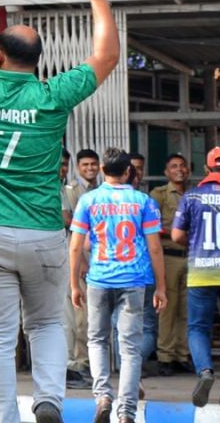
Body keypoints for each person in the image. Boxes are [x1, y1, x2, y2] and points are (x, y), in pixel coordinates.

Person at [0, 0, 118, 423]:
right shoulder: (52, 94)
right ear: (38, 59)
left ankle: (4, 418)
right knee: (45, 324)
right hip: (42, 233)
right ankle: (48, 402)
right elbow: (105, 57)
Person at [69, 148, 167, 423]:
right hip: (134, 280)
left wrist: (74, 284)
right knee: (130, 348)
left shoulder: (89, 200)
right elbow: (155, 248)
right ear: (128, 172)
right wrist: (161, 287)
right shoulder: (143, 201)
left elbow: (76, 245)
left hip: (99, 278)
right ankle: (126, 412)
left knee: (97, 340)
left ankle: (102, 396)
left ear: (102, 169)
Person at [172, 147, 220, 408]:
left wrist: (194, 243)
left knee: (197, 328)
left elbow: (176, 236)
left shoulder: (192, 195)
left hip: (201, 272)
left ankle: (205, 371)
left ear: (206, 171)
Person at [150, 153, 192, 376]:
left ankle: (182, 354)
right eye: (174, 166)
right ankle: (165, 355)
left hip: (190, 256)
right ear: (167, 172)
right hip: (168, 255)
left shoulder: (194, 194)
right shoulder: (158, 195)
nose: (179, 170)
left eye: (183, 166)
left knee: (186, 308)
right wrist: (176, 233)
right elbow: (151, 226)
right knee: (167, 308)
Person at [64, 148, 101, 384]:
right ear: (78, 168)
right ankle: (78, 363)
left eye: (93, 164)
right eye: (85, 165)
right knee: (80, 316)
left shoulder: (102, 191)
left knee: (96, 318)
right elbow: (71, 227)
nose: (89, 169)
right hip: (80, 261)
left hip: (102, 261)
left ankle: (90, 363)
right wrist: (82, 262)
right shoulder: (70, 192)